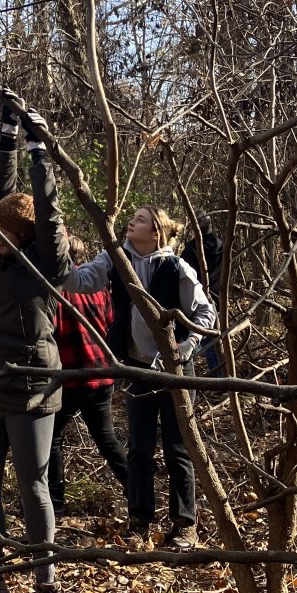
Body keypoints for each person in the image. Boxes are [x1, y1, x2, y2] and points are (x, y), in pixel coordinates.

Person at [0, 94, 71, 593]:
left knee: (33, 486)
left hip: (31, 393)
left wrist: (39, 150)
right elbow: (1, 198)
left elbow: (47, 217)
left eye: (0, 232)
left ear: (20, 239)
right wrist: (6, 137)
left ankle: (46, 583)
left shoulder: (43, 267)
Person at [70, 205, 215, 549]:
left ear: (156, 233)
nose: (131, 222)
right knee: (139, 447)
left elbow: (205, 310)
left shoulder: (175, 266)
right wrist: (54, 254)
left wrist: (189, 343)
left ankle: (185, 524)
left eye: (140, 220)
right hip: (137, 367)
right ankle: (140, 520)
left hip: (176, 371)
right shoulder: (115, 258)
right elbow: (80, 280)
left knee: (178, 447)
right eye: (132, 217)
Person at [48, 236, 128, 520]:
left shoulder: (56, 289)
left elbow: (50, 331)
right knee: (106, 439)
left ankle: (55, 505)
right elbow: (110, 322)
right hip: (102, 373)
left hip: (71, 375)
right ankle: (136, 492)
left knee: (53, 440)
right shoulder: (98, 289)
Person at [181, 214, 224, 373]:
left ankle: (217, 379)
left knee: (204, 339)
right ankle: (219, 375)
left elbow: (184, 276)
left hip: (199, 300)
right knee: (213, 338)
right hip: (219, 297)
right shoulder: (221, 244)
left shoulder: (191, 249)